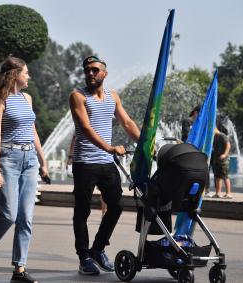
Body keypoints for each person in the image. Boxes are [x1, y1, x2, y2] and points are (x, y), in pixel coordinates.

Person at [0, 56, 48, 283]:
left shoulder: (27, 98)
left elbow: (32, 131)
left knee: (26, 218)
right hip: (9, 160)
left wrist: (43, 161)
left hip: (30, 161)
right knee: (8, 215)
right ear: (15, 74)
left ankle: (19, 270)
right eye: (26, 72)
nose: (29, 76)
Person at [69, 55, 140, 275]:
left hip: (106, 164)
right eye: (87, 70)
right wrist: (109, 148)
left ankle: (98, 249)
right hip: (85, 163)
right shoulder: (78, 96)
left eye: (95, 70)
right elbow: (86, 128)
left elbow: (127, 122)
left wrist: (146, 144)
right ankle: (84, 258)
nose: (90, 73)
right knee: (82, 212)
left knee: (116, 206)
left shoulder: (113, 96)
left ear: (104, 73)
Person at [211, 127, 232, 198]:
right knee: (217, 176)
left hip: (223, 160)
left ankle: (228, 193)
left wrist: (224, 154)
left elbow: (228, 145)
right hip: (216, 159)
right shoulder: (214, 137)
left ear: (215, 129)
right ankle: (218, 193)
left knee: (225, 176)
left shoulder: (222, 135)